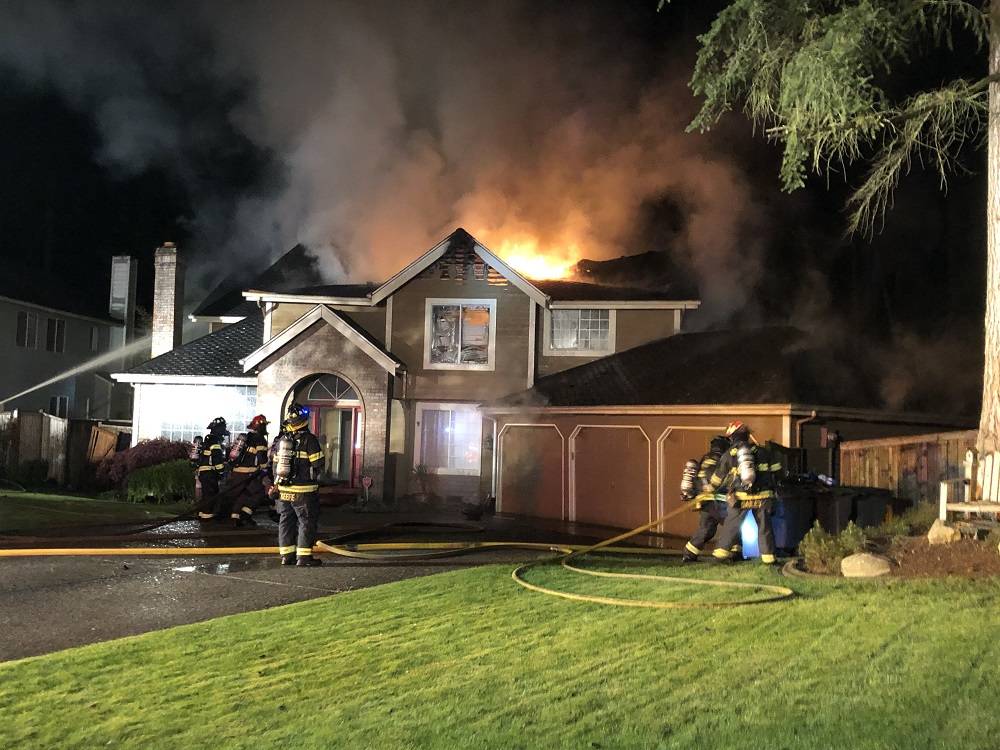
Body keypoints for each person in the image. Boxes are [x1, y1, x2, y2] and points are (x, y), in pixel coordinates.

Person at [708, 421, 783, 565]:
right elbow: (778, 472)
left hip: (740, 497)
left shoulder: (730, 454)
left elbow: (718, 477)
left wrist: (710, 488)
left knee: (732, 526)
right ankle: (769, 558)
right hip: (763, 497)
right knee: (764, 527)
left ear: (732, 437)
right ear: (747, 435)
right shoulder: (762, 451)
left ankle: (720, 554)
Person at [269, 403, 325, 567]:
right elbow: (318, 464)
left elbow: (274, 466)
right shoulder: (309, 440)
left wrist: (276, 485)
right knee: (306, 522)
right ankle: (304, 557)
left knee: (285, 522)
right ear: (304, 420)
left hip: (283, 490)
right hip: (303, 491)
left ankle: (286, 556)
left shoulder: (281, 441)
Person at [680, 435, 738, 563]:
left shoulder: (705, 459)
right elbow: (721, 480)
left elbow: (698, 481)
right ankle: (735, 552)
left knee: (706, 530)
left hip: (705, 503)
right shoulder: (722, 460)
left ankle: (689, 554)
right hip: (718, 502)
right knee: (733, 525)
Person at [225, 414, 272, 528]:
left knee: (241, 494)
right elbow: (262, 458)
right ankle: (245, 516)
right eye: (264, 426)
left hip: (236, 472)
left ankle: (235, 518)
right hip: (249, 473)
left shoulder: (247, 438)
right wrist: (266, 470)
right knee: (259, 493)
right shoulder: (260, 439)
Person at [194, 417, 228, 522]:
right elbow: (217, 459)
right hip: (209, 473)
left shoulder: (208, 440)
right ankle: (207, 519)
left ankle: (201, 514)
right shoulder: (215, 442)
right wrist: (221, 471)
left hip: (203, 472)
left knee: (206, 495)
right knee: (210, 495)